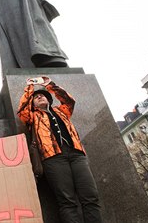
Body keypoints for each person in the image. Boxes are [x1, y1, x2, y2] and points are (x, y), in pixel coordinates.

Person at [16, 76, 102, 223]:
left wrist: (49, 85)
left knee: (90, 196)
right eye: (36, 98)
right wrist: (30, 87)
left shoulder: (62, 111)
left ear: (49, 100)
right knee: (67, 201)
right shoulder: (32, 116)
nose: (40, 97)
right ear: (33, 104)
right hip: (53, 159)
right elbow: (22, 109)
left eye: (42, 95)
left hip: (77, 155)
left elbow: (69, 101)